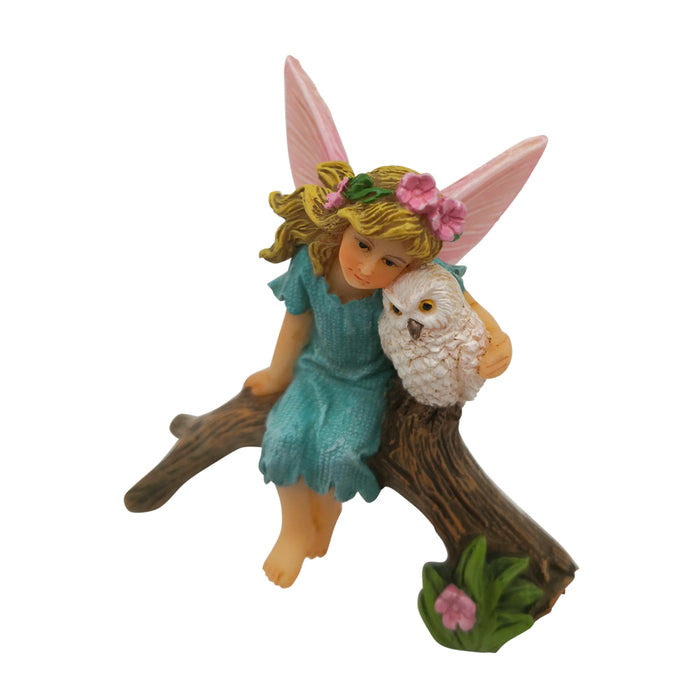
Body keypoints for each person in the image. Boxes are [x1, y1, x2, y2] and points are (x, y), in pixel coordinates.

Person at [244, 161, 511, 588]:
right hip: (315, 372)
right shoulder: (312, 263)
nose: (368, 269)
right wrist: (278, 375)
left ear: (409, 265)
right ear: (343, 226)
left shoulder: (411, 281)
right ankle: (293, 528)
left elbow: (469, 306)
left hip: (368, 383)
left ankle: (326, 510)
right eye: (362, 245)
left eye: (389, 260)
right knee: (284, 437)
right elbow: (295, 325)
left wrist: (499, 342)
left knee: (339, 450)